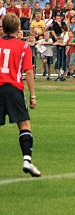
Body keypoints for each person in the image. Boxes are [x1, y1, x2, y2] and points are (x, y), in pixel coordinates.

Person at [0, 13, 41, 177]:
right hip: (13, 89)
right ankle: (27, 160)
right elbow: (29, 72)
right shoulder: (23, 46)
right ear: (18, 28)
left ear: (3, 27)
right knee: (24, 125)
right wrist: (32, 96)